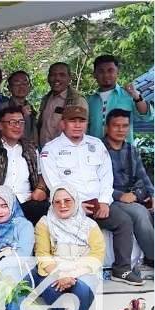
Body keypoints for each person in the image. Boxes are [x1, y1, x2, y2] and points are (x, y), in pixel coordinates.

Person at [40, 105, 143, 285]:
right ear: (63, 124)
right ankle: (69, 273)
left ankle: (122, 269)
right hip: (66, 206)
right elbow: (53, 184)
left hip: (97, 204)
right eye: (72, 121)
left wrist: (104, 202)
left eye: (82, 121)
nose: (77, 125)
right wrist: (75, 206)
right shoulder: (51, 149)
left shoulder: (96, 145)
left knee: (124, 221)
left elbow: (106, 176)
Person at [34, 186, 103, 310]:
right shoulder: (45, 223)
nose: (62, 205)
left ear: (76, 201)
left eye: (67, 201)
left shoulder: (90, 225)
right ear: (52, 204)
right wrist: (60, 274)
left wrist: (72, 275)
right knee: (51, 289)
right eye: (57, 202)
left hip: (82, 271)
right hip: (53, 271)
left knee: (83, 289)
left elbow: (96, 255)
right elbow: (43, 254)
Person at [0, 106, 49, 226]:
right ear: (0, 125)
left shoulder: (31, 148)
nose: (18, 126)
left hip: (28, 202)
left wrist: (41, 189)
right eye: (12, 122)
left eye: (21, 122)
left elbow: (40, 175)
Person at [103, 109, 154, 266]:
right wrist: (119, 195)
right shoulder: (98, 149)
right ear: (107, 127)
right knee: (140, 213)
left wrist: (153, 195)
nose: (121, 130)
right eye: (116, 125)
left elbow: (142, 175)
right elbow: (93, 183)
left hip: (132, 196)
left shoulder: (131, 149)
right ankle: (152, 256)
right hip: (108, 198)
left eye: (125, 126)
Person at [87, 55, 152, 143]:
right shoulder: (89, 100)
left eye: (110, 70)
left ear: (117, 72)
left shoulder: (129, 95)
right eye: (101, 71)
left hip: (123, 150)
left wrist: (137, 97)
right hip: (95, 149)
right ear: (94, 74)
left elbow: (147, 116)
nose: (106, 75)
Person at [36, 62, 88, 147]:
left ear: (69, 78)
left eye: (62, 75)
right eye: (53, 75)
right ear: (48, 78)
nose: (57, 78)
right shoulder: (46, 99)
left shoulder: (77, 101)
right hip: (44, 151)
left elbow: (80, 133)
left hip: (65, 152)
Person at [4, 71, 38, 145]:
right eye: (17, 83)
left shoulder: (30, 107)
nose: (21, 87)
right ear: (9, 88)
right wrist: (22, 115)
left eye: (25, 83)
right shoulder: (3, 108)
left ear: (30, 87)